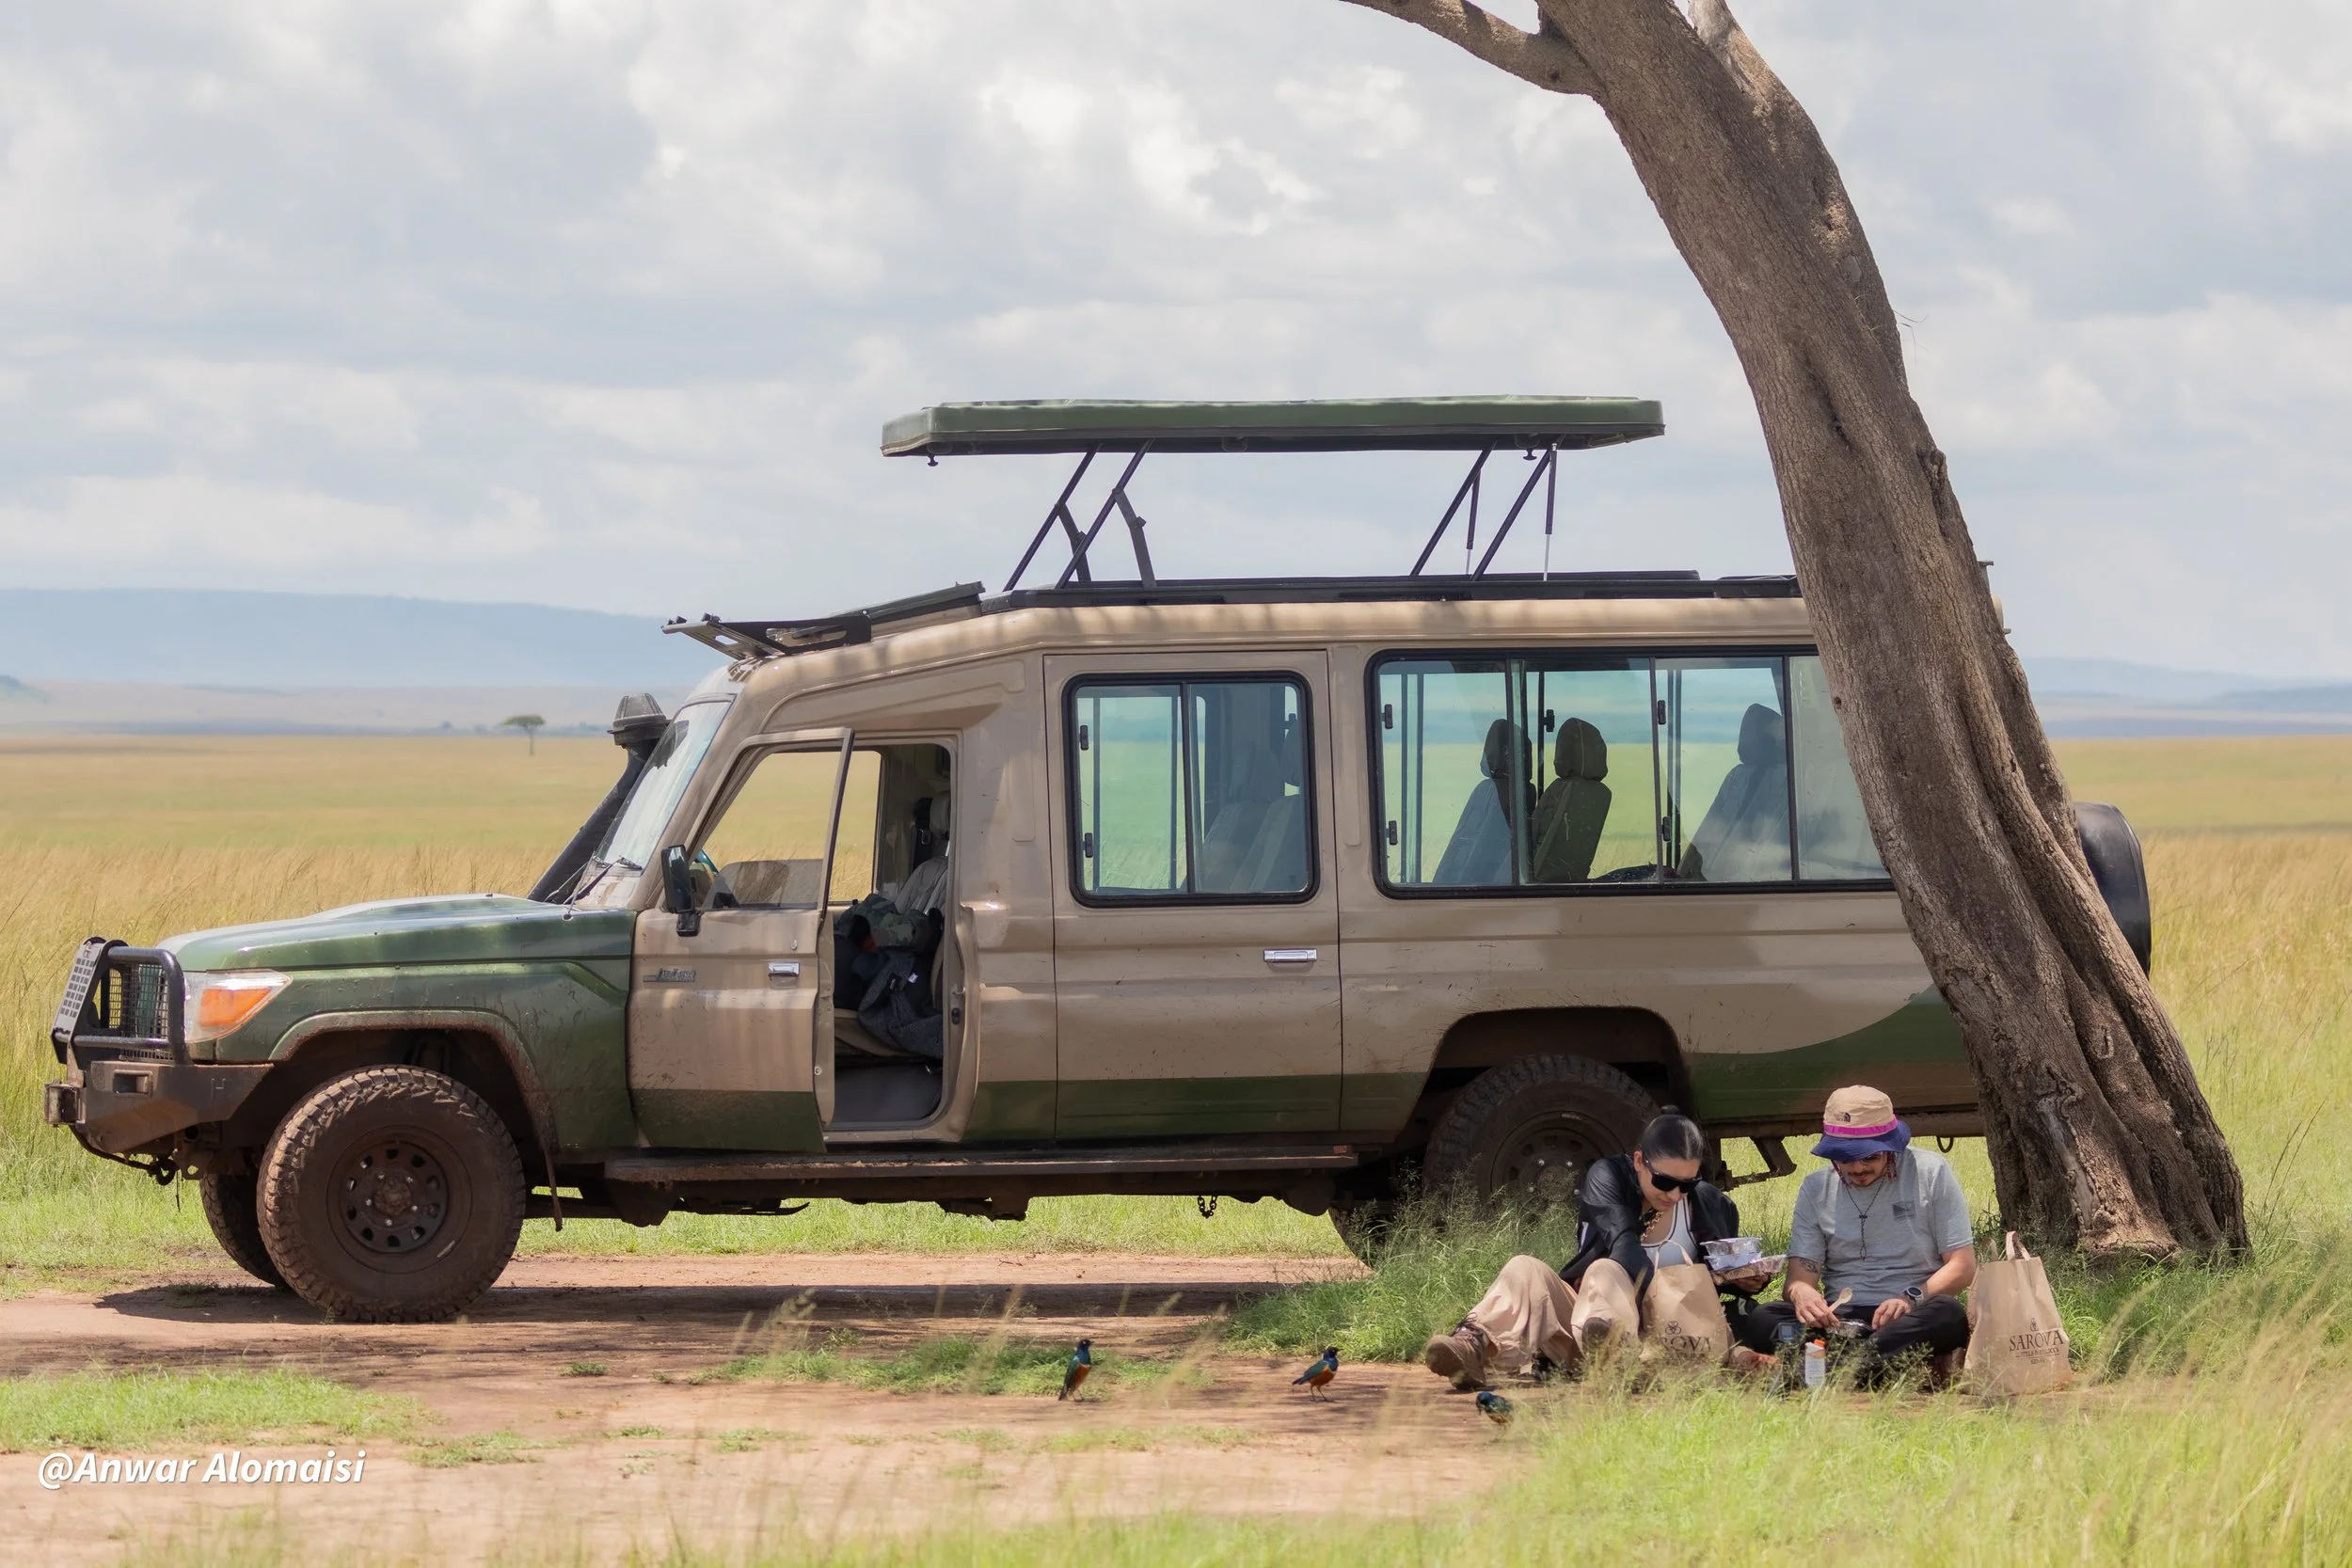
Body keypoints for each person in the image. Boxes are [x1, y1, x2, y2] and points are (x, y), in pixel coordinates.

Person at [1422, 1108, 1775, 1389]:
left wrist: (1743, 1280)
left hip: (1673, 1337)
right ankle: (1474, 1346)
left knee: (1604, 1272)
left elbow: (1708, 1289)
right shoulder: (1608, 1177)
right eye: (1664, 1181)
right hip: (1589, 1324)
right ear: (1639, 1162)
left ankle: (1618, 1356)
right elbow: (1623, 1246)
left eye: (1687, 1184)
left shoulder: (1712, 1205)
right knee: (1530, 1267)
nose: (1674, 1194)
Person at [1736, 1085, 1977, 1380]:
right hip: (1840, 1320)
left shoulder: (1931, 1172)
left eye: (1870, 1158)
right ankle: (1872, 1365)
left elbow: (1963, 1267)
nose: (1858, 1168)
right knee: (1764, 1320)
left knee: (1948, 1315)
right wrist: (1804, 1296)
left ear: (1891, 1148)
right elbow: (1799, 1280)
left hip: (1911, 1313)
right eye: (1846, 1159)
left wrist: (1909, 1298)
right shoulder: (1815, 1189)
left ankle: (1824, 1368)